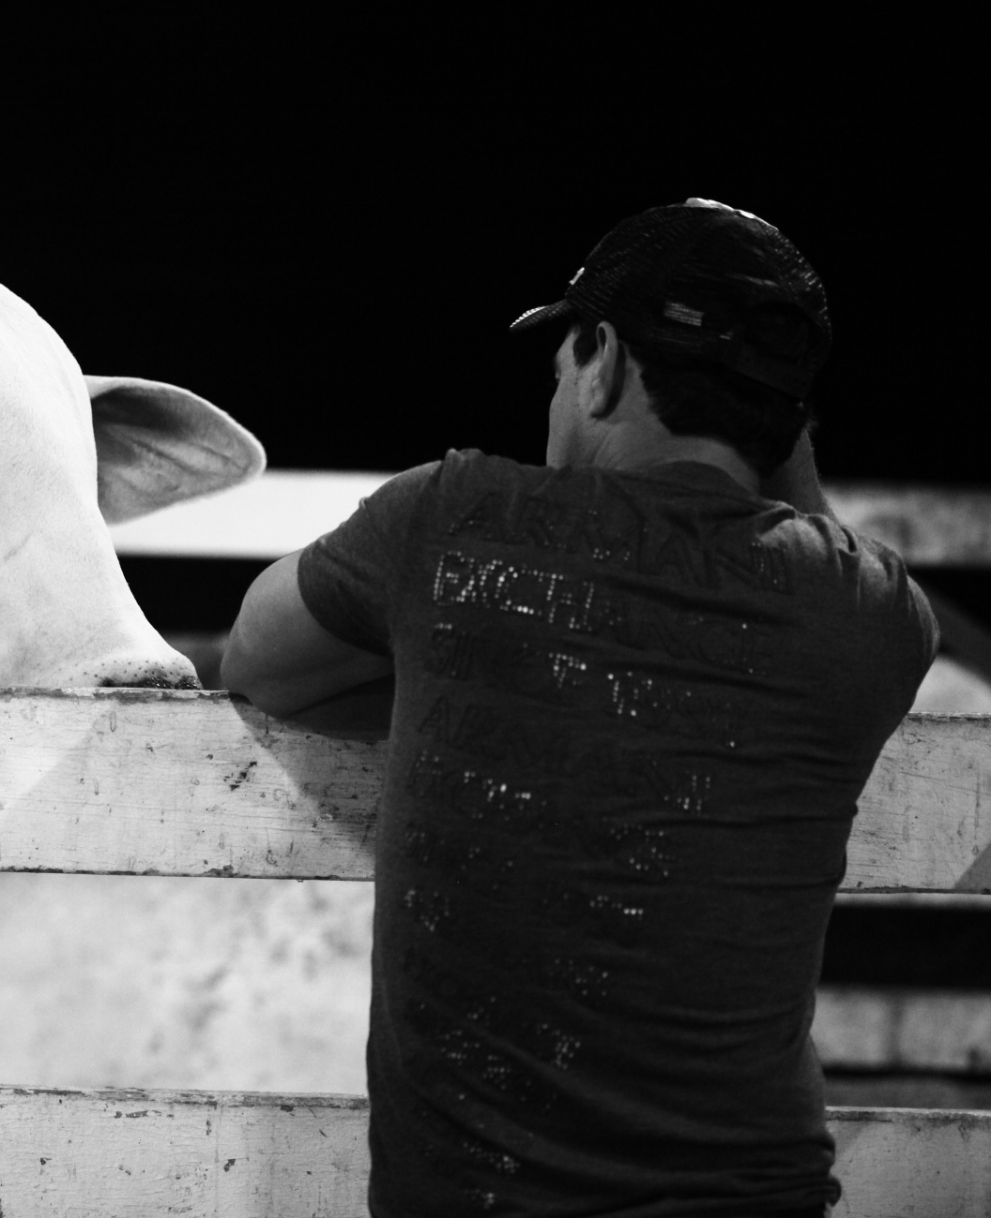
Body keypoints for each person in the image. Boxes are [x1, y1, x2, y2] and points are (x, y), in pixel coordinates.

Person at [221, 199, 936, 1216]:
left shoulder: (450, 518)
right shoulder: (871, 615)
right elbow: (816, 551)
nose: (556, 394)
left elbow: (258, 659)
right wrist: (774, 431)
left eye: (562, 361)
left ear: (599, 359)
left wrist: (452, 663)